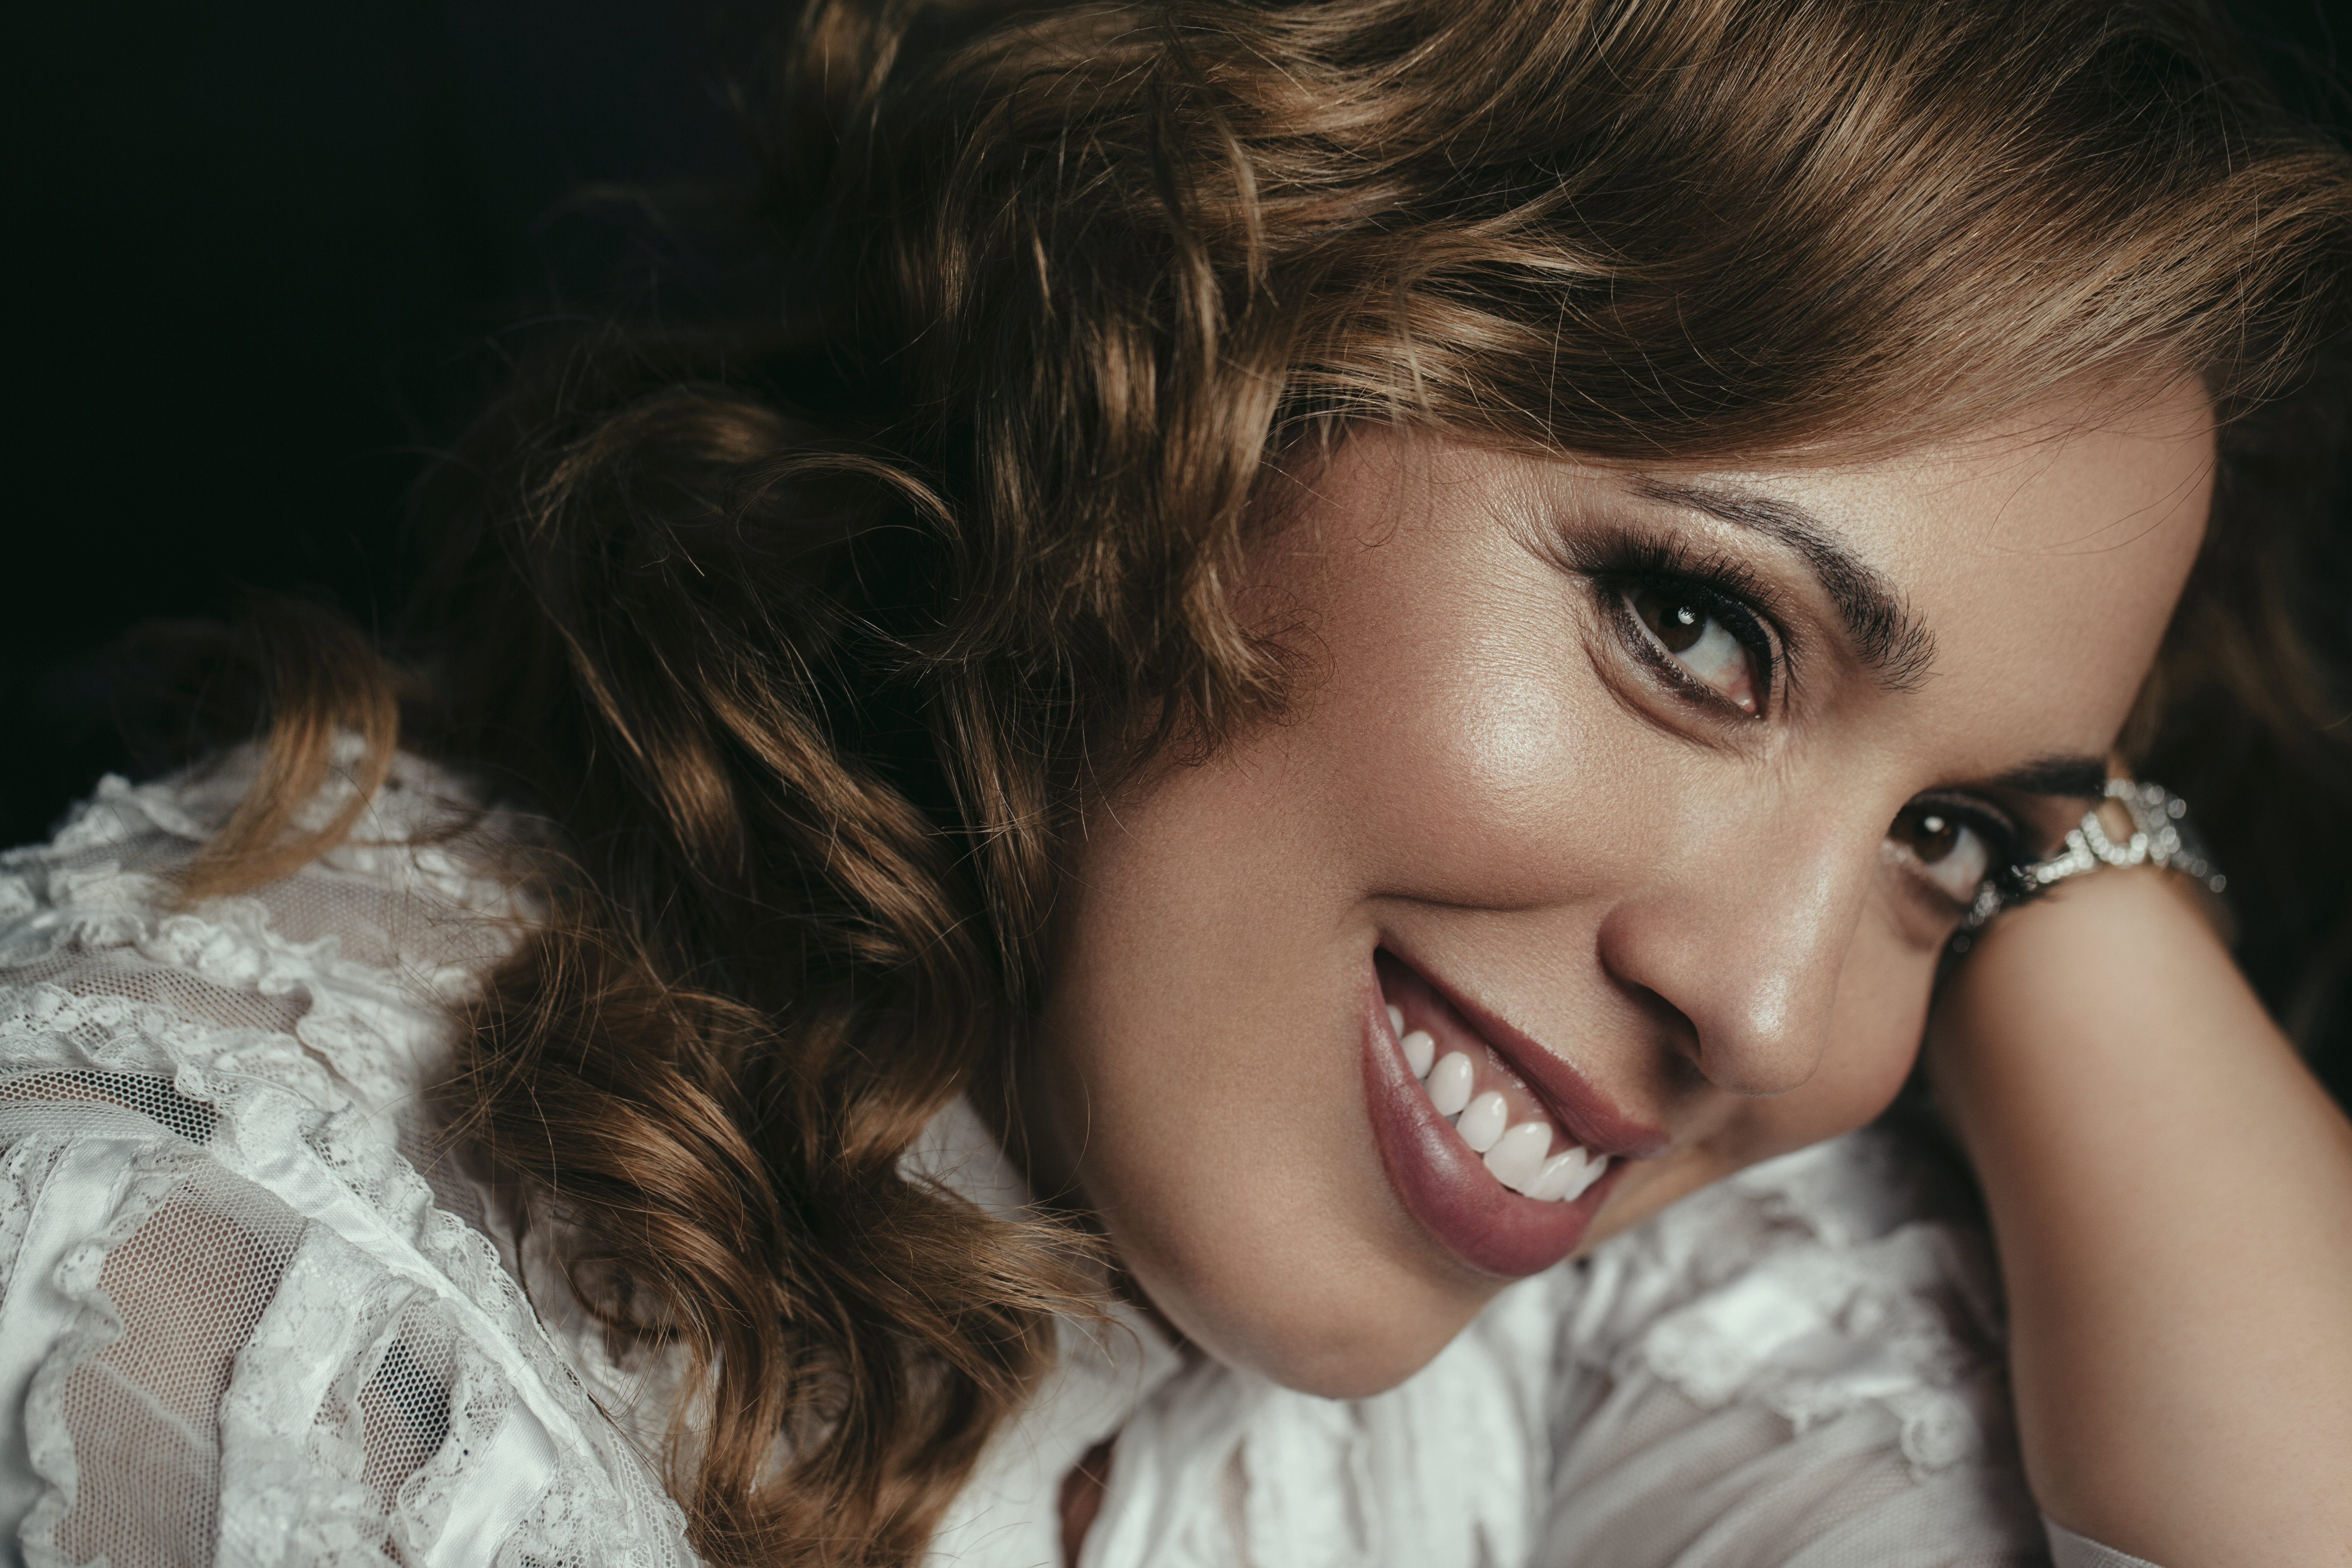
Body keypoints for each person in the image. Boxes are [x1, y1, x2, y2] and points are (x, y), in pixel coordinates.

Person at [3, 0, 2350, 1563]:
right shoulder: (238, 1331)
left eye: (1949, 841)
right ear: (1187, 345)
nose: (1777, 1016)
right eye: (1699, 629)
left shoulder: (1554, 1200)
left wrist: (2059, 840)